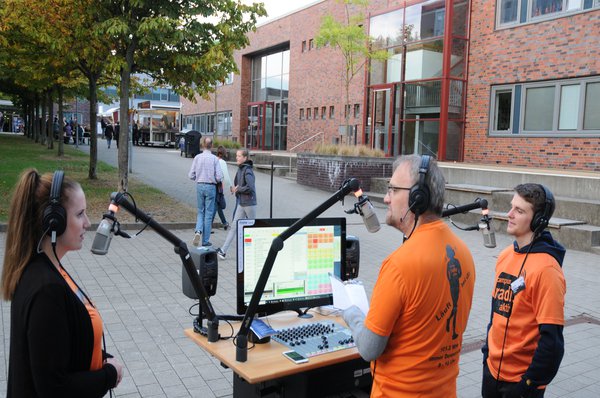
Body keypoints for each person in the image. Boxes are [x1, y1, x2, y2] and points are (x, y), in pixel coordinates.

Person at [341, 154, 475, 397]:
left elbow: (370, 349)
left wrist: (351, 315)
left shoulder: (399, 265)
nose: (385, 198)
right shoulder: (463, 252)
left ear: (417, 198)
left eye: (392, 190)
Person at [1, 169, 123, 397]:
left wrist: (98, 356)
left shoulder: (48, 268)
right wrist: (109, 375)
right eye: (80, 214)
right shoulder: (46, 289)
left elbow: (59, 345)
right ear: (53, 221)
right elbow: (54, 389)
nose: (87, 223)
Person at [482, 184, 566, 398]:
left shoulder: (547, 270)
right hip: (492, 375)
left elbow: (552, 343)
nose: (509, 214)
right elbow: (495, 314)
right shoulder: (505, 255)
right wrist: (486, 355)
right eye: (512, 207)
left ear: (539, 220)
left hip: (520, 385)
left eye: (519, 211)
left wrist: (527, 385)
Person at [216, 148, 257, 260]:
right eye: (237, 155)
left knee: (252, 228)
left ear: (245, 158)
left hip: (249, 203)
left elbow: (250, 188)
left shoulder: (247, 170)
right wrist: (235, 189)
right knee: (234, 227)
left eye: (239, 156)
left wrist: (238, 190)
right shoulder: (241, 168)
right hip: (242, 203)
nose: (237, 157)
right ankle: (223, 251)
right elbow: (237, 184)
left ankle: (255, 251)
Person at [188, 137, 223, 247]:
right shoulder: (214, 159)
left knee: (200, 211)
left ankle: (198, 231)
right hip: (210, 187)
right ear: (211, 146)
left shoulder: (197, 158)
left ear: (202, 145)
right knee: (208, 214)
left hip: (199, 185)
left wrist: (198, 178)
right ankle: (205, 241)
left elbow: (190, 175)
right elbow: (219, 176)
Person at [213, 146, 231, 230]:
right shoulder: (222, 162)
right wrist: (231, 186)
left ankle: (224, 223)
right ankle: (208, 226)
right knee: (216, 206)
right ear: (223, 154)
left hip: (211, 185)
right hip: (218, 186)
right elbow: (226, 176)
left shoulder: (213, 160)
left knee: (218, 205)